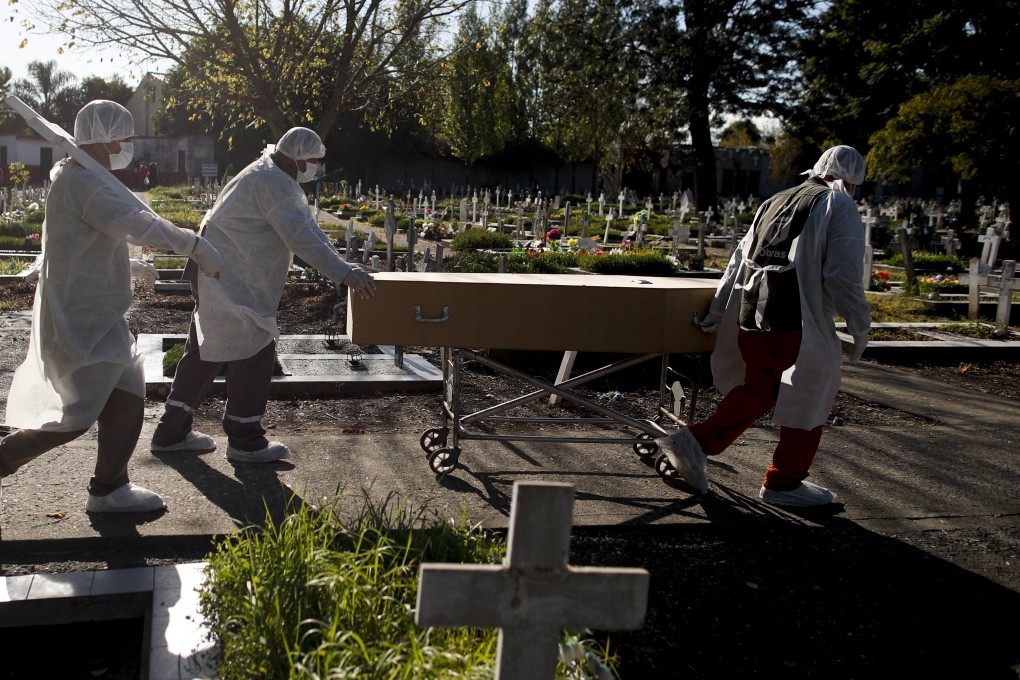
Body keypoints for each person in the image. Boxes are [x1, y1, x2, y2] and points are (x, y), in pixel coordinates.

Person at [0, 100, 226, 513]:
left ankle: (110, 487)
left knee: (126, 390)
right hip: (81, 321)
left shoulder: (83, 175)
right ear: (105, 140)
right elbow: (136, 222)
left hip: (96, 315)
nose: (128, 146)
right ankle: (7, 459)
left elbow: (82, 244)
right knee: (76, 416)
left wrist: (129, 262)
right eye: (123, 138)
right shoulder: (85, 181)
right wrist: (193, 246)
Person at [657, 145, 872, 507]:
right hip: (797, 322)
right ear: (852, 180)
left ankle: (695, 442)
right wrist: (860, 325)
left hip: (753, 317)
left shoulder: (775, 200)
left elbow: (738, 261)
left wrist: (717, 311)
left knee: (760, 389)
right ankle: (784, 481)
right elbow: (842, 274)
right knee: (810, 397)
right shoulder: (839, 204)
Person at [150, 127, 377, 463]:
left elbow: (308, 229)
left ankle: (171, 432)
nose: (315, 166)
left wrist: (343, 263)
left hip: (218, 272)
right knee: (255, 347)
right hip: (229, 278)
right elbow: (301, 237)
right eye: (313, 160)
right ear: (297, 157)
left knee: (203, 350)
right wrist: (344, 273)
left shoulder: (269, 174)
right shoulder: (272, 182)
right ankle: (246, 440)